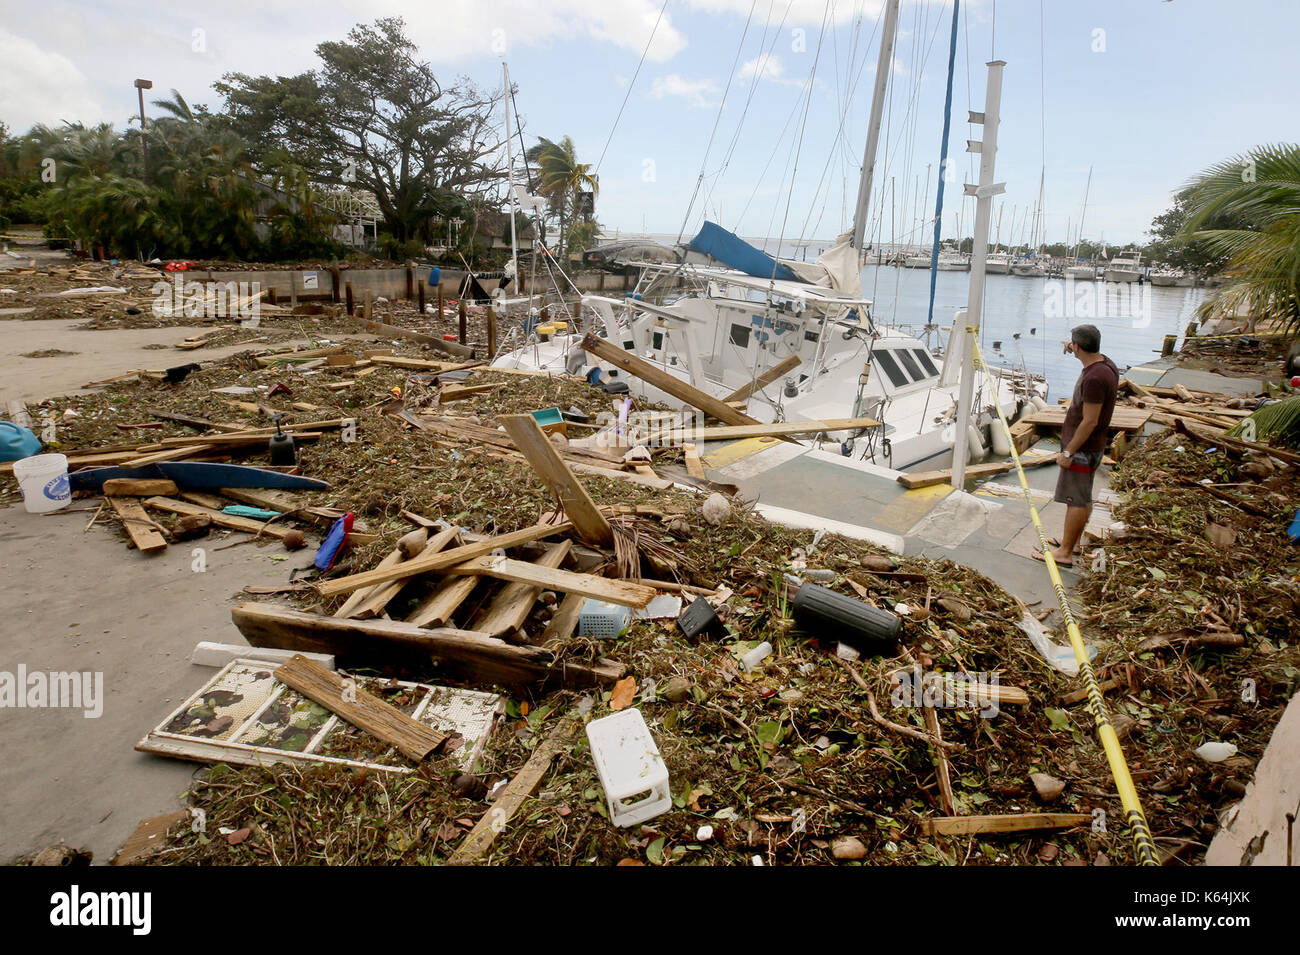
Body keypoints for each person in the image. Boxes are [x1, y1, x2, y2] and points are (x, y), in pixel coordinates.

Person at [1033, 323, 1118, 568]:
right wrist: (1070, 346)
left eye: (1073, 344)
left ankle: (1065, 553)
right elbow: (1081, 348)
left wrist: (1069, 451)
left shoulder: (1093, 378)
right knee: (1082, 496)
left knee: (1076, 501)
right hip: (1093, 446)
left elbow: (1090, 420)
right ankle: (1074, 543)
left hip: (1082, 449)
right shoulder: (1106, 364)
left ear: (1079, 346)